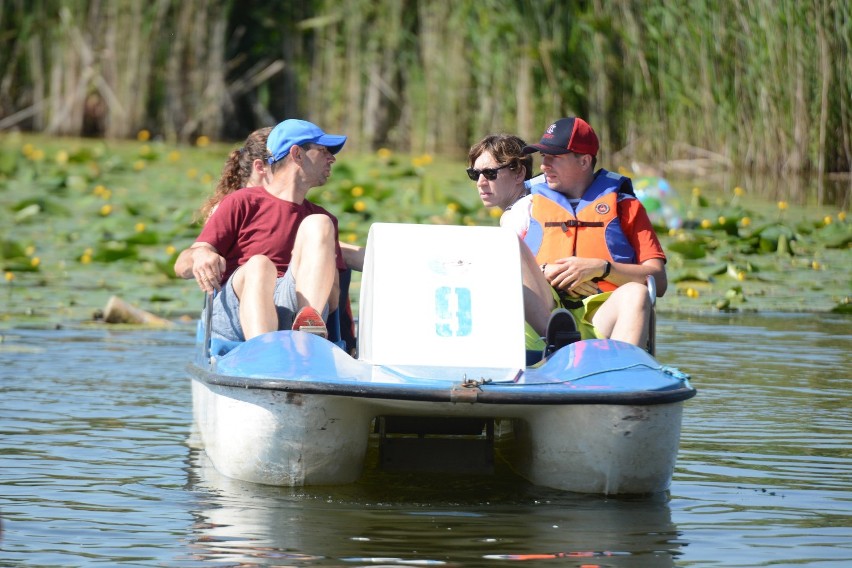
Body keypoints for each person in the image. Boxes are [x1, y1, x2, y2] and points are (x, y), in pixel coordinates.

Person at [500, 117, 667, 350]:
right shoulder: (525, 207)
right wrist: (547, 272)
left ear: (584, 161)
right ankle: (556, 336)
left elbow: (658, 282)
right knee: (511, 248)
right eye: (543, 157)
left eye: (554, 157)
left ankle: (620, 373)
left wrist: (600, 268)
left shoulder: (626, 207)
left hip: (603, 317)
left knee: (638, 293)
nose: (543, 165)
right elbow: (498, 272)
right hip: (544, 319)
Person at [175, 118, 349, 341]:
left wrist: (319, 268)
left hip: (294, 304)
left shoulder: (323, 221)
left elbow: (333, 302)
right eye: (323, 150)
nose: (332, 158)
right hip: (238, 311)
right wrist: (201, 254)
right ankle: (263, 350)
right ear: (297, 154)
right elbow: (181, 266)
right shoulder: (241, 202)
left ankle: (308, 327)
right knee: (259, 265)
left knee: (320, 222)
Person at [467, 134, 553, 350]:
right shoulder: (536, 202)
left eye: (490, 173)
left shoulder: (517, 213)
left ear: (519, 174)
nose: (480, 182)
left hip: (535, 334)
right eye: (474, 174)